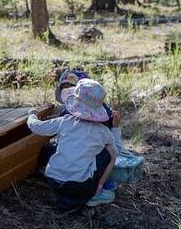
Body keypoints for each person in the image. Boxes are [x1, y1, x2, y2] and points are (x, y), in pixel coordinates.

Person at [27, 79, 118, 211]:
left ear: (76, 103)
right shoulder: (104, 132)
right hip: (80, 187)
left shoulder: (65, 121)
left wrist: (32, 115)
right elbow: (117, 152)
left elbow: (35, 127)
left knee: (51, 149)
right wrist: (115, 128)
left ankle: (67, 199)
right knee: (109, 154)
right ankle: (97, 193)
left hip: (54, 182)